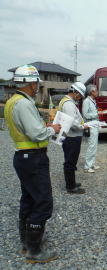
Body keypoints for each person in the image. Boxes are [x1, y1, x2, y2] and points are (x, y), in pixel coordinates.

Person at [4, 65, 61, 263]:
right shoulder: (25, 104)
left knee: (28, 199)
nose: (37, 86)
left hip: (23, 157)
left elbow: (28, 128)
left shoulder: (13, 101)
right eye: (36, 82)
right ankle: (35, 251)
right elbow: (36, 133)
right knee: (43, 202)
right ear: (31, 83)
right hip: (33, 158)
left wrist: (41, 128)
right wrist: (52, 129)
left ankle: (26, 243)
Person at [59, 82, 88, 194]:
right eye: (80, 95)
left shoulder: (65, 101)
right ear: (75, 92)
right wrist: (83, 126)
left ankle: (71, 182)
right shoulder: (69, 104)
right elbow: (72, 122)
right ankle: (71, 187)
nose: (80, 98)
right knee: (70, 162)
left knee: (70, 160)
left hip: (69, 136)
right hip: (72, 136)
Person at [82, 85, 103, 173]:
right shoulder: (86, 101)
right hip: (90, 125)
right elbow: (85, 115)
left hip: (95, 124)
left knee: (94, 145)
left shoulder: (93, 101)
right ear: (92, 92)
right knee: (91, 145)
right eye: (96, 91)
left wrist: (98, 113)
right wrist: (97, 114)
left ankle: (92, 163)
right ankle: (87, 166)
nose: (97, 92)